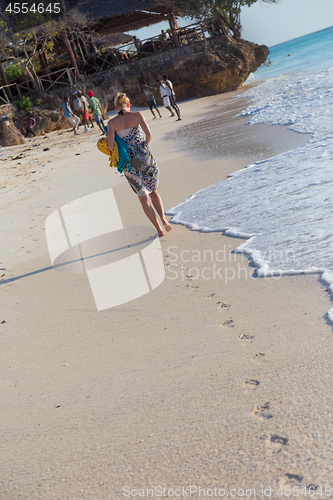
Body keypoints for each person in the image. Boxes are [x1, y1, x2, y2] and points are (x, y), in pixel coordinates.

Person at [107, 93, 172, 237]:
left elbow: (111, 147)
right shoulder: (138, 115)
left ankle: (159, 230)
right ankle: (163, 219)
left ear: (116, 108)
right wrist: (144, 147)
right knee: (153, 191)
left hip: (129, 163)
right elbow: (149, 135)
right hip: (144, 157)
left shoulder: (111, 123)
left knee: (143, 197)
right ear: (128, 105)